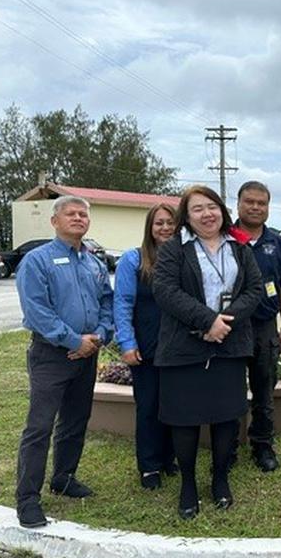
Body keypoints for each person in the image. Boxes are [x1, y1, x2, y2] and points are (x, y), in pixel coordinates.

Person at [153, 185, 262, 519]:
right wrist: (207, 321)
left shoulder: (240, 246)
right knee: (185, 419)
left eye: (212, 206)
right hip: (184, 348)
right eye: (197, 208)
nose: (207, 214)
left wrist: (224, 322)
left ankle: (219, 478)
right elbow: (165, 290)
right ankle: (188, 484)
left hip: (229, 345)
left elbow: (255, 289)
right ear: (187, 216)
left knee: (226, 416)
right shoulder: (175, 249)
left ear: (222, 210)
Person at [14, 195, 113, 528]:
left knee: (75, 420)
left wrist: (98, 336)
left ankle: (64, 478)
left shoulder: (94, 263)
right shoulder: (37, 261)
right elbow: (37, 311)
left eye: (83, 214)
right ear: (54, 221)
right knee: (39, 427)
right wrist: (75, 341)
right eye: (70, 213)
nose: (78, 218)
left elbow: (106, 303)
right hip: (52, 355)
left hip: (87, 353)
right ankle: (27, 499)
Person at [233, 181, 281, 472]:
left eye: (261, 203)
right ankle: (229, 448)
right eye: (249, 201)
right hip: (231, 328)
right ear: (238, 203)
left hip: (264, 327)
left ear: (268, 207)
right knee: (230, 391)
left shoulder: (278, 244)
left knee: (264, 391)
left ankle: (262, 445)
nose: (255, 207)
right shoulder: (225, 239)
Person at [113, 203, 179, 490]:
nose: (165, 228)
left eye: (170, 222)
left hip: (178, 348)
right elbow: (123, 302)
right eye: (159, 223)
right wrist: (126, 343)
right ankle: (149, 466)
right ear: (149, 228)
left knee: (174, 405)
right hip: (147, 346)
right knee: (149, 406)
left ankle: (168, 457)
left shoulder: (183, 257)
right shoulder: (133, 259)